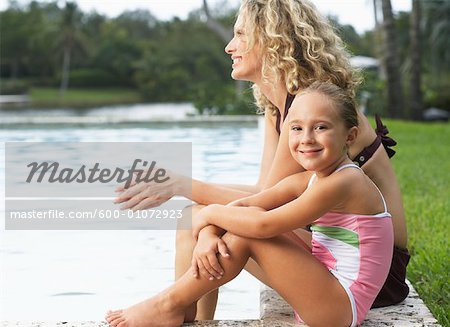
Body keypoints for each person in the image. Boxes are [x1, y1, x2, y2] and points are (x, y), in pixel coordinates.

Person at [114, 0, 409, 319]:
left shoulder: (316, 109)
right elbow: (263, 193)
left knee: (220, 223)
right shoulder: (283, 110)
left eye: (240, 34)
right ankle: (187, 316)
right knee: (195, 218)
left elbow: (261, 211)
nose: (229, 47)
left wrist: (188, 191)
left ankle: (168, 308)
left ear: (272, 38)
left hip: (372, 275)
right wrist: (202, 213)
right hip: (330, 255)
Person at [106, 81, 394, 327]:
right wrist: (207, 230)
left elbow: (265, 224)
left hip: (339, 306)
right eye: (296, 128)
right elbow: (247, 206)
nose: (306, 138)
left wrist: (212, 217)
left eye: (320, 127)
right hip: (321, 282)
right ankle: (188, 310)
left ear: (350, 135)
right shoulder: (308, 179)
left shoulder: (346, 181)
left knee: (247, 232)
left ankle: (167, 303)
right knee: (195, 216)